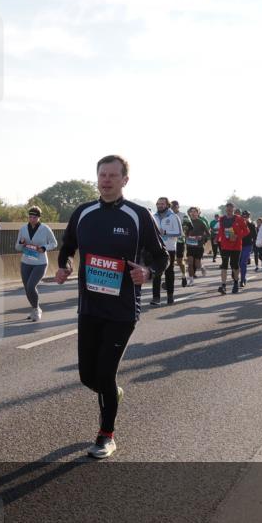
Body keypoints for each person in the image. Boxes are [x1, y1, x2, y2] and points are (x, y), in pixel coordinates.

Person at [55, 155, 167, 459]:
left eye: (112, 176)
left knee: (105, 372)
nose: (106, 180)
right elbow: (67, 248)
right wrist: (64, 265)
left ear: (124, 180)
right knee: (87, 377)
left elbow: (161, 257)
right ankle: (111, 394)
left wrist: (147, 272)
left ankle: (106, 435)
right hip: (90, 306)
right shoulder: (83, 212)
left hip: (122, 310)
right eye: (102, 175)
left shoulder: (138, 215)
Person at [15, 206, 57, 321]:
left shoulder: (45, 228)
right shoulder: (23, 229)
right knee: (27, 288)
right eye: (30, 217)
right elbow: (17, 247)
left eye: (34, 217)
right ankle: (35, 308)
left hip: (40, 263)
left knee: (31, 286)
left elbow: (54, 243)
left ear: (39, 217)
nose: (32, 219)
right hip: (26, 261)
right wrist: (21, 243)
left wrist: (44, 248)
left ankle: (37, 310)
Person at [151, 197, 181, 306]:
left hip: (170, 249)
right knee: (156, 273)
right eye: (158, 204)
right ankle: (156, 298)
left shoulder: (173, 217)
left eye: (162, 204)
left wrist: (165, 232)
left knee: (169, 272)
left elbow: (179, 233)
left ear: (167, 205)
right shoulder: (153, 216)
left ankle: (170, 296)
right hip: (156, 249)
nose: (160, 205)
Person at [215, 202, 249, 295]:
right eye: (228, 208)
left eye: (231, 208)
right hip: (225, 246)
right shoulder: (222, 219)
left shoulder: (239, 219)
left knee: (234, 266)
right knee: (224, 265)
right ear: (226, 209)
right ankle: (223, 286)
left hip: (236, 246)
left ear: (233, 209)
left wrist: (237, 236)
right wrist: (217, 238)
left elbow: (246, 231)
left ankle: (235, 283)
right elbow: (220, 231)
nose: (229, 210)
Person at [182, 206, 209, 286]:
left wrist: (201, 237)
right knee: (190, 264)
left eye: (194, 212)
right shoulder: (186, 222)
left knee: (197, 264)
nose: (193, 213)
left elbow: (208, 234)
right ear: (189, 213)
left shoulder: (201, 222)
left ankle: (202, 267)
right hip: (190, 245)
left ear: (198, 213)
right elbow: (183, 233)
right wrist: (186, 236)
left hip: (199, 246)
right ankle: (191, 280)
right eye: (191, 212)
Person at [170, 200, 188, 286]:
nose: (172, 208)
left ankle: (184, 276)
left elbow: (189, 227)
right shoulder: (168, 215)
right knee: (169, 261)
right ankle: (168, 280)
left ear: (178, 206)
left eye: (174, 207)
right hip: (169, 241)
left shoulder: (183, 215)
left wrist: (183, 230)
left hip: (180, 241)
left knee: (180, 261)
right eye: (171, 207)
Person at [239, 210, 257, 288]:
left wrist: (254, 246)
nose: (245, 218)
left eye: (246, 216)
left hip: (247, 246)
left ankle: (243, 280)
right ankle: (237, 277)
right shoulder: (238, 224)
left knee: (243, 263)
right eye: (243, 216)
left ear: (249, 217)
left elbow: (255, 236)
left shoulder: (251, 225)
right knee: (238, 263)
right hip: (238, 246)